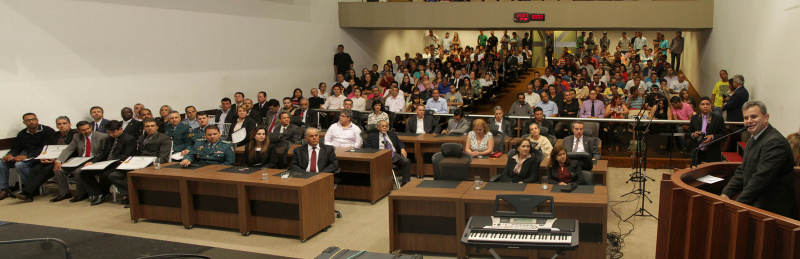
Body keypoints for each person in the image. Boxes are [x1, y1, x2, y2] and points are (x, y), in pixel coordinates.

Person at [721, 101, 797, 219]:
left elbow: (760, 179)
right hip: (758, 208)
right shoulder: (753, 140)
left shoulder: (774, 142)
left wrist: (737, 204)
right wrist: (726, 193)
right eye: (746, 118)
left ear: (766, 118)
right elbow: (742, 170)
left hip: (773, 214)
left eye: (754, 116)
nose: (749, 121)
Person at [11, 116, 77, 202]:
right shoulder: (54, 135)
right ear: (56, 126)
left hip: (68, 159)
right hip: (52, 159)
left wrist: (57, 160)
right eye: (59, 124)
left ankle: (27, 191)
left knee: (48, 169)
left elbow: (75, 151)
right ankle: (29, 193)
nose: (62, 126)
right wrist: (43, 157)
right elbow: (47, 148)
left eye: (64, 123)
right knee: (36, 169)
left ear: (69, 124)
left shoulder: (75, 135)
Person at [79, 120, 137, 206]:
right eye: (108, 132)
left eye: (113, 132)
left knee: (105, 174)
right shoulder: (109, 139)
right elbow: (103, 153)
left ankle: (104, 193)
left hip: (119, 164)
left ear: (120, 129)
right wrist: (92, 162)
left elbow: (127, 155)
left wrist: (113, 161)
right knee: (84, 172)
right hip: (106, 163)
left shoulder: (129, 139)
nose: (111, 134)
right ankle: (100, 192)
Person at [0, 113, 55, 200]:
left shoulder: (48, 131)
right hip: (28, 157)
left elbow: (46, 148)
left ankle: (30, 189)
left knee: (20, 165)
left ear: (37, 120)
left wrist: (26, 156)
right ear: (24, 122)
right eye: (28, 120)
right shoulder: (22, 133)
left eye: (33, 119)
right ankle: (4, 189)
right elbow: (16, 148)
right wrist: (10, 154)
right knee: (2, 162)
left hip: (40, 157)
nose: (31, 122)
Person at [51, 121, 108, 203]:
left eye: (88, 128)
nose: (87, 131)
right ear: (79, 130)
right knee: (59, 169)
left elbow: (103, 153)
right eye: (83, 130)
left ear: (91, 127)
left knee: (78, 171)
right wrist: (59, 160)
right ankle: (65, 193)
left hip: (94, 160)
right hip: (80, 159)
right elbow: (69, 149)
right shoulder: (76, 137)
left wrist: (93, 160)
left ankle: (81, 194)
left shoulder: (102, 136)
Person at [364, 120, 412, 186]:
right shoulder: (372, 136)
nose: (384, 127)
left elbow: (399, 143)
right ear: (378, 127)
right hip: (380, 156)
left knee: (406, 161)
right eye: (382, 126)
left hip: (393, 155)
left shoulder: (392, 134)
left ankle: (406, 183)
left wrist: (402, 149)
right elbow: (367, 147)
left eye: (386, 126)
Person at [688, 97, 726, 163]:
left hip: (712, 151)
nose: (705, 106)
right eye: (703, 104)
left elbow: (724, 135)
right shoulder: (695, 118)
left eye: (707, 104)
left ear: (711, 105)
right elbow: (688, 133)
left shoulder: (718, 118)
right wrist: (693, 135)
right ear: (699, 106)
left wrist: (712, 137)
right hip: (697, 151)